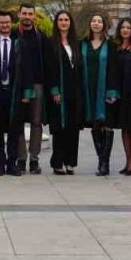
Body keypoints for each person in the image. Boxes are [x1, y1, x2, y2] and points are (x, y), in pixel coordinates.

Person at [0, 10, 32, 176]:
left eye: (7, 22)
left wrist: (27, 93)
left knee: (15, 130)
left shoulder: (20, 43)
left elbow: (28, 69)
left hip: (15, 92)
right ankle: (0, 164)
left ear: (11, 23)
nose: (4, 25)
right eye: (1, 22)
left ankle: (12, 164)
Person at [45, 10, 84, 175]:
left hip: (74, 92)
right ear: (56, 23)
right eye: (60, 20)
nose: (63, 22)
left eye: (66, 19)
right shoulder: (51, 43)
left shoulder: (77, 43)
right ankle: (57, 162)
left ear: (70, 22)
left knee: (73, 128)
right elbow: (49, 69)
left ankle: (70, 162)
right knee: (60, 128)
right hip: (58, 91)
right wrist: (54, 90)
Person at [80, 14, 118, 177]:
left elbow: (115, 70)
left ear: (104, 25)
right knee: (95, 125)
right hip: (88, 90)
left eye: (99, 21)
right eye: (93, 21)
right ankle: (100, 160)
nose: (96, 23)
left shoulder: (111, 45)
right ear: (89, 24)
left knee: (106, 125)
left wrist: (113, 91)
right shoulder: (82, 44)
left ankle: (105, 163)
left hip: (105, 90)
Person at [108, 18, 131, 175]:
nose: (125, 30)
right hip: (120, 93)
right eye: (122, 27)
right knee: (124, 127)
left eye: (128, 27)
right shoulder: (115, 47)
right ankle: (128, 160)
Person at [15, 2, 49, 174]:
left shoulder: (41, 37)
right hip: (16, 85)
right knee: (18, 122)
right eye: (24, 13)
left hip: (37, 85)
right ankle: (21, 158)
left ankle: (34, 158)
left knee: (36, 122)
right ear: (19, 15)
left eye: (30, 14)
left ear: (34, 16)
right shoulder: (13, 35)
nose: (27, 17)